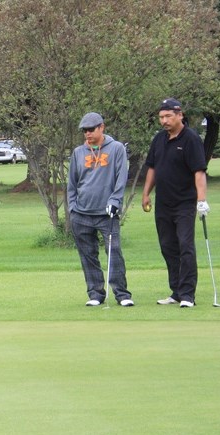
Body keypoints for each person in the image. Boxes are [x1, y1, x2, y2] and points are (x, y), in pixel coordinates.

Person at [142, 98, 209, 308]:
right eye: (161, 117)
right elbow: (152, 168)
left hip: (185, 204)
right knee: (168, 247)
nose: (164, 120)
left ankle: (188, 294)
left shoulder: (191, 139)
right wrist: (146, 194)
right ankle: (177, 291)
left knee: (185, 246)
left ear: (180, 115)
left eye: (168, 116)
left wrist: (202, 200)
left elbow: (199, 171)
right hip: (163, 203)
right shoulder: (159, 139)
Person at [67, 112, 134, 307]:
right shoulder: (79, 152)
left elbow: (121, 178)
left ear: (102, 127)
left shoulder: (116, 149)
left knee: (114, 252)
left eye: (91, 129)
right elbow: (72, 183)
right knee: (88, 255)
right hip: (81, 213)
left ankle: (122, 294)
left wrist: (115, 200)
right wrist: (72, 208)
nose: (87, 133)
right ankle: (95, 294)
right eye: (84, 131)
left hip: (107, 213)